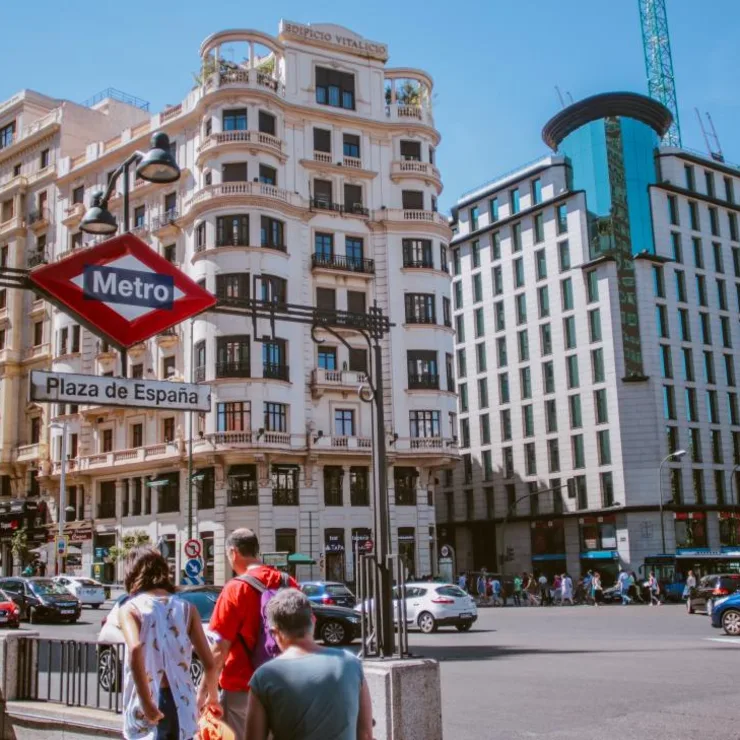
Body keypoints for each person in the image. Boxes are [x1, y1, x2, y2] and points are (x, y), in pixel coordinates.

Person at [200, 528, 298, 738]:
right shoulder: (288, 582)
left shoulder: (234, 588)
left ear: (233, 552)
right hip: (287, 687)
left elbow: (218, 651)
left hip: (243, 689)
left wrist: (205, 695)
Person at [119, 546, 220, 740]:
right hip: (183, 703)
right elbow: (209, 662)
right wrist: (210, 697)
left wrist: (147, 703)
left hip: (148, 701)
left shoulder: (130, 609)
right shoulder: (187, 608)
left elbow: (134, 648)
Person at [245, 589, 373, 740]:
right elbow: (365, 735)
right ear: (313, 620)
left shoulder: (264, 677)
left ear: (275, 632)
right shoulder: (351, 664)